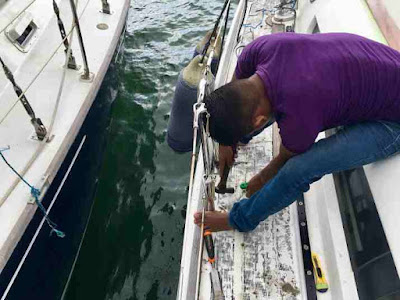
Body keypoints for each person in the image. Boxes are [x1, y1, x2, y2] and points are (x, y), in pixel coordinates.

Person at [193, 32, 400, 232]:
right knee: (266, 99)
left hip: (393, 122)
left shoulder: (300, 113)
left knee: (301, 168)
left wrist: (263, 179)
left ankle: (239, 220)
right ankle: (239, 135)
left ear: (260, 122)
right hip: (386, 68)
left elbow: (285, 163)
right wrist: (226, 143)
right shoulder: (257, 49)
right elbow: (231, 95)